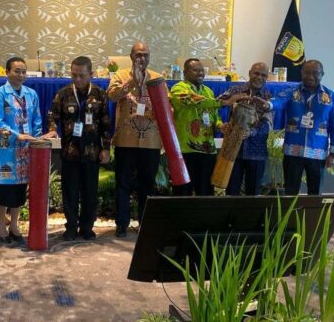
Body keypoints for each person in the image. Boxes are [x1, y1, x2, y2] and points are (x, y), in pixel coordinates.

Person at [0, 57, 55, 244]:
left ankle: (14, 226)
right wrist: (16, 135)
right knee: (4, 189)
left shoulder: (31, 94)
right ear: (7, 72)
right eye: (17, 71)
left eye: (23, 71)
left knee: (19, 189)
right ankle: (2, 227)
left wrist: (37, 139)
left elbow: (36, 119)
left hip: (26, 149)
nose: (21, 75)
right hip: (6, 149)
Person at [47, 56, 112, 241]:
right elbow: (52, 116)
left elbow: (106, 123)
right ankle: (70, 227)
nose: (77, 79)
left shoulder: (100, 94)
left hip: (92, 153)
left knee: (90, 192)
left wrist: (106, 148)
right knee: (70, 192)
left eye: (82, 75)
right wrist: (52, 129)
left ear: (91, 74)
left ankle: (87, 227)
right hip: (70, 152)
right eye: (74, 75)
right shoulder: (63, 93)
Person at [107, 42, 164, 238]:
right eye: (138, 55)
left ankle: (144, 224)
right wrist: (132, 82)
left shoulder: (157, 78)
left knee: (147, 185)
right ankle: (122, 224)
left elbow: (166, 105)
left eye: (145, 55)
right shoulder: (120, 76)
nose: (142, 58)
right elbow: (112, 96)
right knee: (123, 184)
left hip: (151, 141)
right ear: (131, 56)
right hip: (126, 139)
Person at [269, 60, 334, 195]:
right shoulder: (291, 91)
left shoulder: (330, 96)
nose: (310, 76)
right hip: (293, 152)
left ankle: (313, 211)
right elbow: (279, 101)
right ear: (301, 73)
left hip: (317, 153)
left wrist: (333, 153)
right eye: (307, 73)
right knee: (290, 192)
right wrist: (268, 105)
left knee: (315, 193)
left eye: (315, 73)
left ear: (322, 74)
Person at [169, 58, 231, 196]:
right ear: (185, 72)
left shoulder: (208, 91)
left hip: (207, 150)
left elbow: (214, 115)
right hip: (185, 150)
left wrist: (220, 126)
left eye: (202, 70)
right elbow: (193, 100)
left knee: (205, 193)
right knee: (182, 192)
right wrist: (222, 102)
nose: (200, 73)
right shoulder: (178, 88)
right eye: (195, 70)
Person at [223, 62, 273, 196]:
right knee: (231, 192)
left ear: (267, 77)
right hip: (233, 150)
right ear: (250, 73)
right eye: (256, 73)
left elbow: (268, 124)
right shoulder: (235, 90)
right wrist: (221, 124)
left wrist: (251, 132)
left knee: (253, 194)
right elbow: (217, 102)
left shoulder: (268, 98)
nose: (259, 77)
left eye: (263, 75)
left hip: (257, 151)